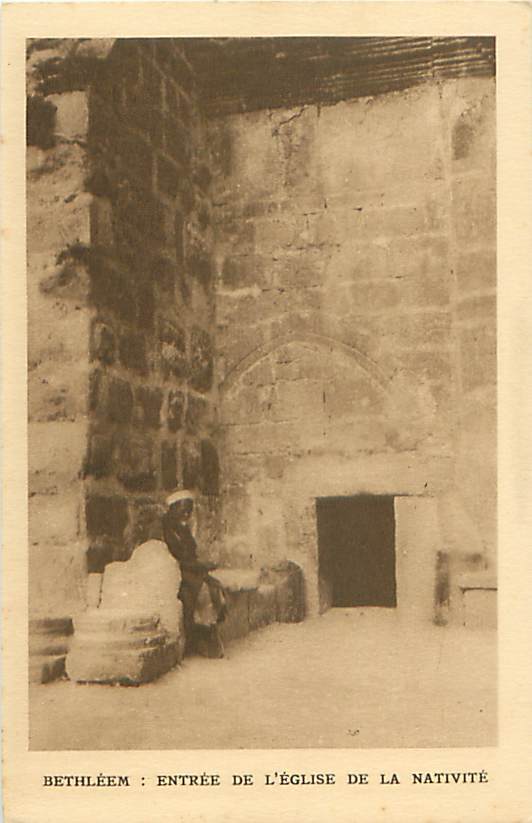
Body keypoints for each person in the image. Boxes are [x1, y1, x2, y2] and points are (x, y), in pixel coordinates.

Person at [162, 490, 226, 657]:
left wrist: (202, 566)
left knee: (214, 586)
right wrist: (200, 566)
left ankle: (208, 632)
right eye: (183, 510)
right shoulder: (165, 530)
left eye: (189, 511)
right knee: (201, 589)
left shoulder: (182, 529)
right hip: (175, 572)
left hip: (189, 569)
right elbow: (172, 558)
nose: (187, 514)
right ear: (173, 509)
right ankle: (203, 637)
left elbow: (190, 553)